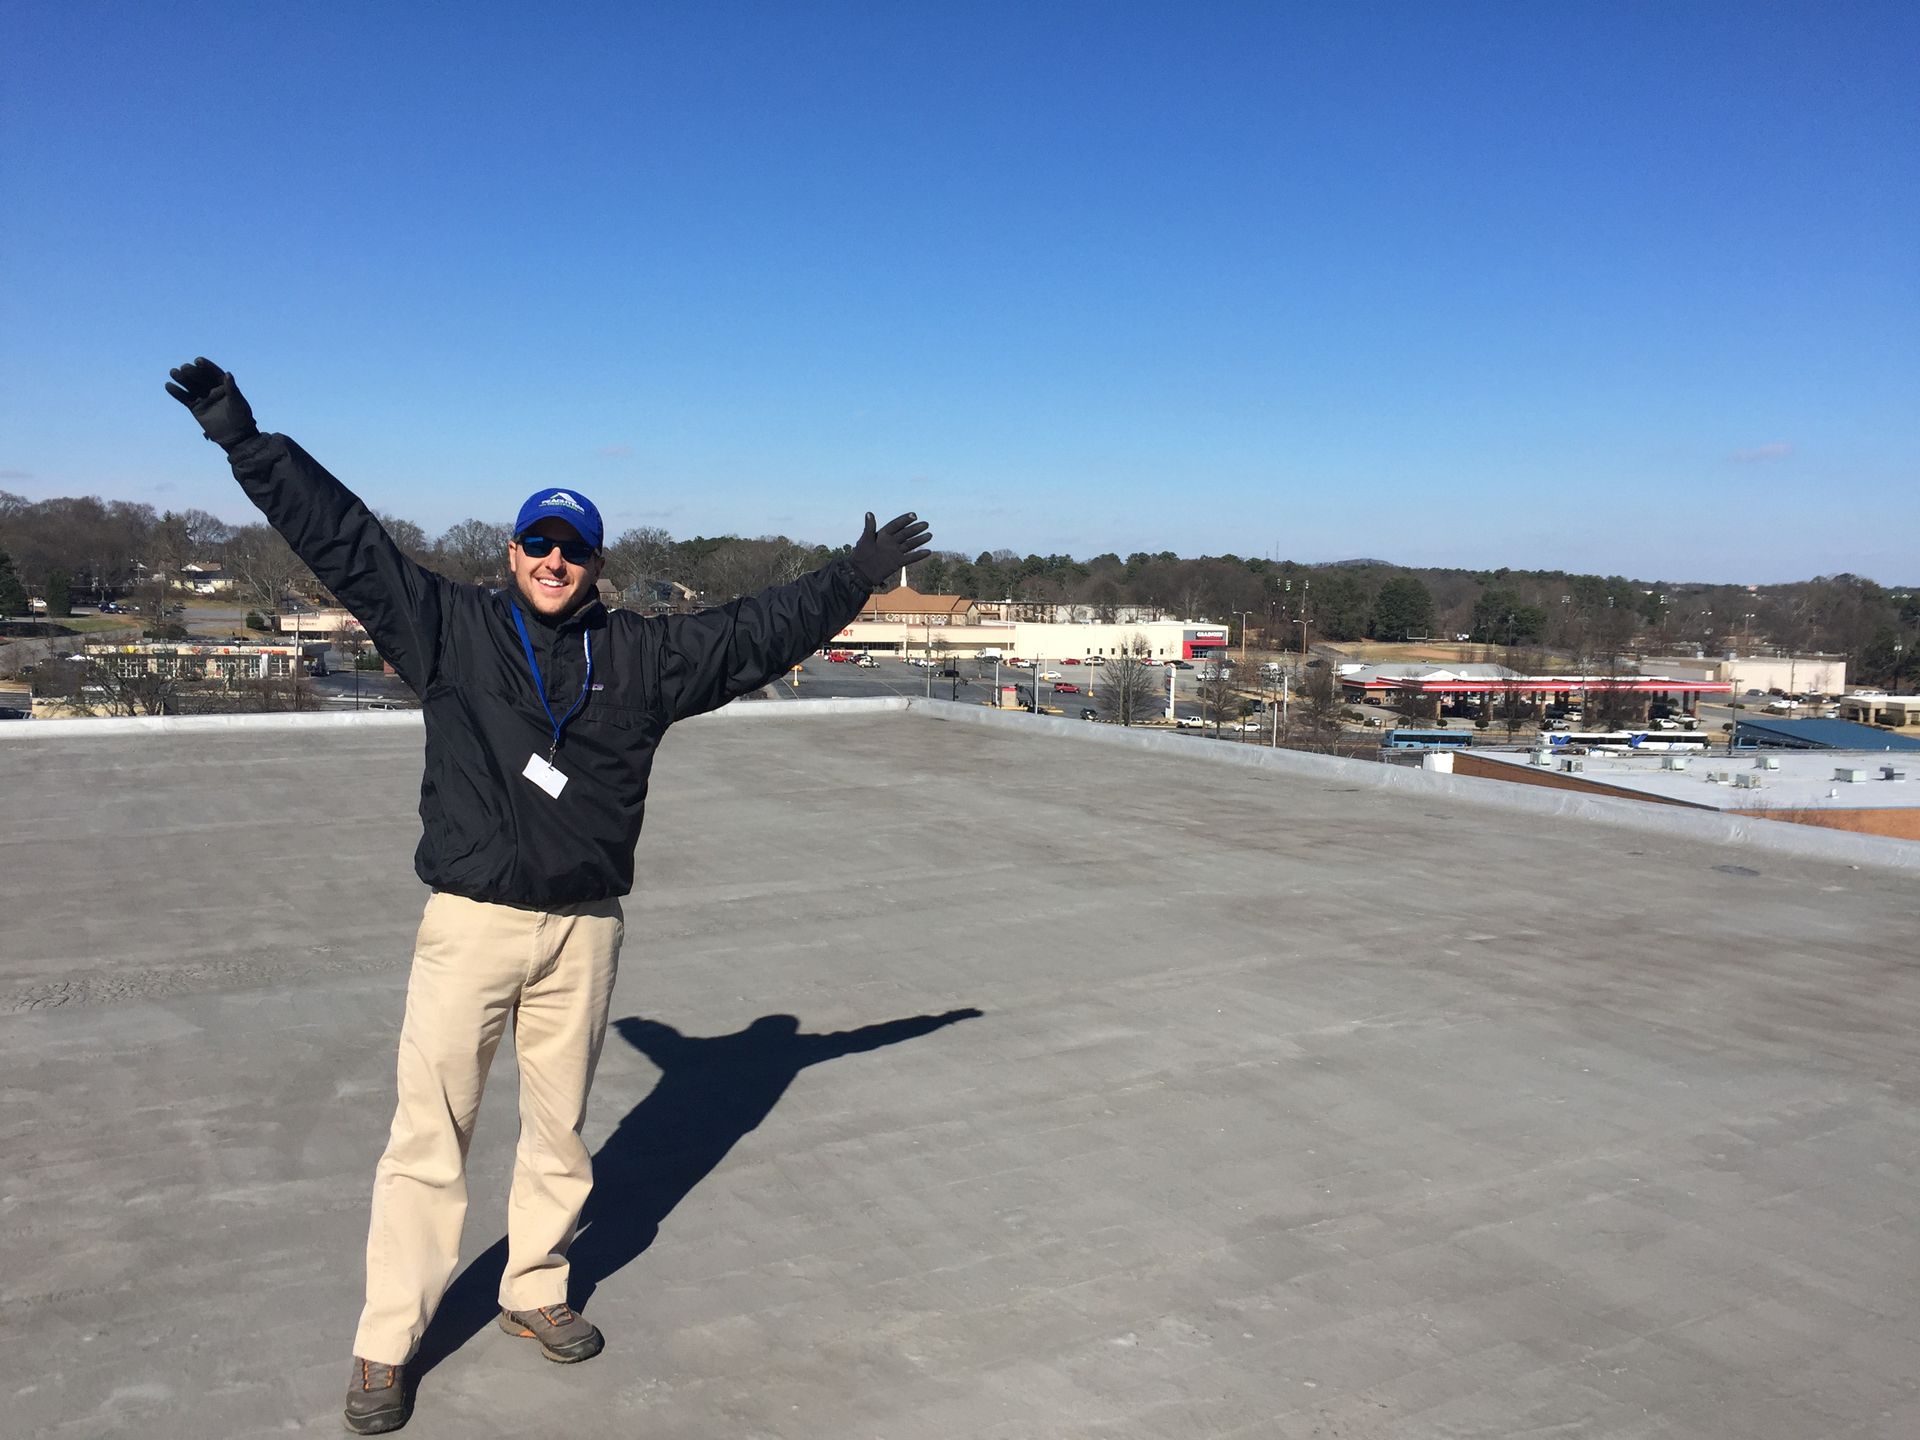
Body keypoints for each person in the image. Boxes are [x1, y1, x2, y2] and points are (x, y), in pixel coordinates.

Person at [165, 358, 931, 1434]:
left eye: (573, 548)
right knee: (429, 1139)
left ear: (596, 563)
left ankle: (535, 1291)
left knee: (559, 1135)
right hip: (470, 926)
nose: (555, 561)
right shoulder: (449, 630)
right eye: (538, 544)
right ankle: (387, 1347)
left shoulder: (644, 657)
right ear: (511, 552)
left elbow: (757, 630)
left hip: (584, 933)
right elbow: (344, 542)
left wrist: (851, 575)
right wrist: (247, 441)